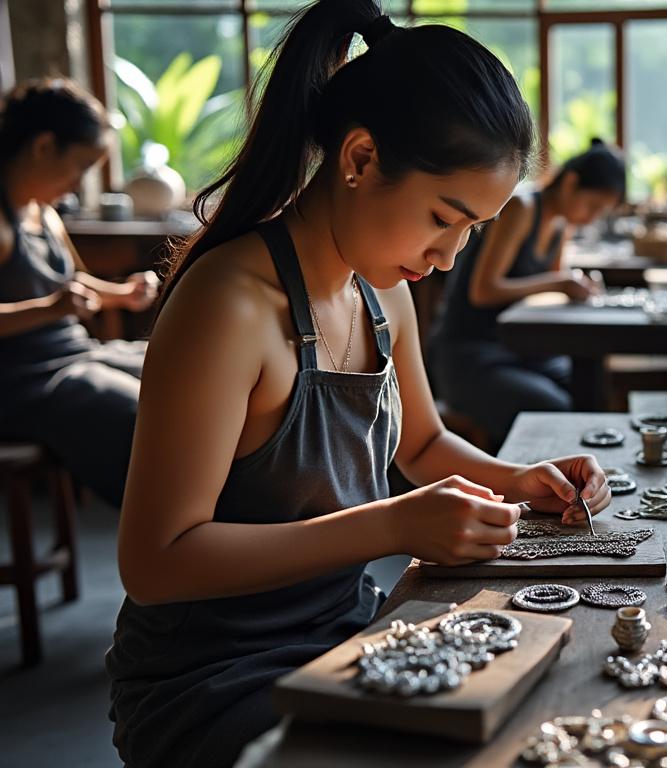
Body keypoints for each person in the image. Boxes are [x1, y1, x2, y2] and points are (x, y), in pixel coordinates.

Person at [105, 4, 610, 766]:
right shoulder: (230, 305)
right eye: (443, 217)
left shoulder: (382, 293)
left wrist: (518, 481)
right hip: (214, 678)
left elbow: (424, 444)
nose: (448, 256)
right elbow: (155, 561)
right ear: (361, 158)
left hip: (345, 633)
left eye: (472, 231)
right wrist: (393, 526)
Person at [0, 78, 157, 506]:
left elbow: (69, 290)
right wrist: (49, 309)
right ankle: (166, 525)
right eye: (80, 167)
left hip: (75, 353)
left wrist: (120, 294)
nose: (77, 184)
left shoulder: (43, 213)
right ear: (43, 147)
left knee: (175, 369)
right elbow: (55, 302)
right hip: (23, 379)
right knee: (141, 414)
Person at [430, 138, 625, 449]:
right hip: (470, 355)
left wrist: (575, 288)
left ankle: (585, 473)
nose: (592, 218)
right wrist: (559, 283)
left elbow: (550, 290)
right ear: (570, 183)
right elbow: (483, 291)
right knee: (554, 409)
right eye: (592, 206)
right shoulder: (521, 208)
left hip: (517, 350)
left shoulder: (562, 226)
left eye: (600, 212)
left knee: (590, 387)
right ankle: (531, 475)